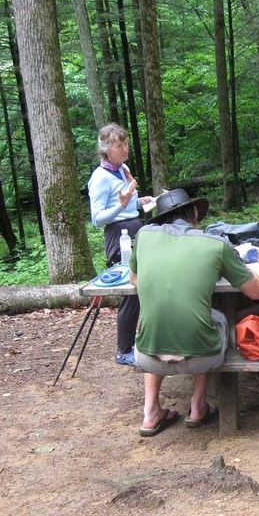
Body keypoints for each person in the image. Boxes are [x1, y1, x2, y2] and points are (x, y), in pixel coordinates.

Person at [130, 189, 259, 437]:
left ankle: (150, 413)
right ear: (194, 213)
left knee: (153, 320)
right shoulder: (214, 244)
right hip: (203, 357)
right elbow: (256, 292)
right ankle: (198, 405)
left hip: (147, 356)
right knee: (216, 317)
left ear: (161, 219)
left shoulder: (143, 236)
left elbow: (134, 280)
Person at [87, 123, 153, 366]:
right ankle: (124, 351)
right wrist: (122, 206)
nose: (125, 148)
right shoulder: (100, 177)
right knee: (132, 293)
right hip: (119, 237)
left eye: (126, 143)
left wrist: (141, 201)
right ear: (106, 149)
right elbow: (97, 219)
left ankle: (139, 343)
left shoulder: (123, 169)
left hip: (137, 231)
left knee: (144, 290)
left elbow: (129, 204)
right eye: (119, 145)